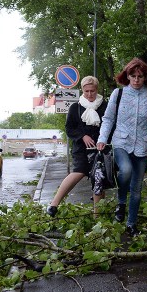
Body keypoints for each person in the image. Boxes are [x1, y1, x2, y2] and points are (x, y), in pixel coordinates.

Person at [96, 57, 147, 236]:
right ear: (127, 76)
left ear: (145, 78)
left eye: (140, 76)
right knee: (125, 170)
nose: (136, 79)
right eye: (132, 75)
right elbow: (108, 119)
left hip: (142, 144)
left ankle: (131, 223)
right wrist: (102, 138)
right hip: (121, 142)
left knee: (137, 188)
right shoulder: (118, 94)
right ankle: (121, 202)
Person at [47, 76, 107, 217]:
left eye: (92, 91)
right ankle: (53, 204)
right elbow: (69, 128)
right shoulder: (75, 107)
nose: (90, 94)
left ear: (97, 90)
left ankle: (97, 216)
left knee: (99, 178)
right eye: (86, 91)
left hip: (101, 148)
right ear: (82, 90)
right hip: (81, 148)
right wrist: (82, 136)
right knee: (78, 171)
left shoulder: (105, 105)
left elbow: (110, 124)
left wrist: (103, 140)